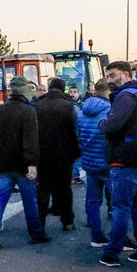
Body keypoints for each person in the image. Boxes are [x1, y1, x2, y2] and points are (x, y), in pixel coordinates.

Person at [97, 61, 137, 268]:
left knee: (121, 208)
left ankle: (112, 253)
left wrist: (103, 124)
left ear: (125, 74)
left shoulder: (126, 97)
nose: (109, 80)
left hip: (126, 159)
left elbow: (112, 125)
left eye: (113, 75)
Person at [0, 76, 46, 248]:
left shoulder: (0, 110)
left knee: (0, 200)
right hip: (22, 164)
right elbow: (30, 140)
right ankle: (36, 233)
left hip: (2, 162)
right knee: (29, 200)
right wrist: (32, 164)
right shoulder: (29, 110)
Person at [34, 78, 80, 231]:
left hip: (43, 154)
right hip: (64, 154)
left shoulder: (38, 105)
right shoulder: (68, 106)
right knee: (65, 189)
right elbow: (74, 129)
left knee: (43, 189)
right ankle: (67, 221)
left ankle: (39, 222)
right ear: (63, 88)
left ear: (49, 87)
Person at [77, 78, 113, 247]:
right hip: (107, 161)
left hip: (89, 160)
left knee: (92, 201)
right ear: (109, 91)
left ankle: (96, 235)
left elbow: (79, 135)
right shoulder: (109, 110)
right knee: (117, 202)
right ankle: (119, 237)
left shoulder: (82, 111)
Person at [69, 85, 84, 185]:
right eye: (71, 91)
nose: (72, 94)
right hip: (73, 133)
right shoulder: (69, 105)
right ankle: (74, 175)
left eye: (74, 91)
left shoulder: (82, 104)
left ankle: (75, 174)